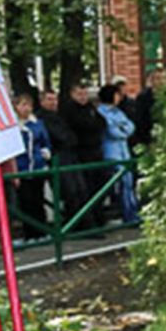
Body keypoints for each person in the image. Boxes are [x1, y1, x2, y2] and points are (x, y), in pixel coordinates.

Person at [36, 89, 88, 227]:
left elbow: (70, 136)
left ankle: (82, 223)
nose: (53, 103)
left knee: (80, 189)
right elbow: (61, 137)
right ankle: (74, 224)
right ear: (42, 102)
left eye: (55, 99)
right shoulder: (42, 118)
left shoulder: (58, 116)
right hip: (58, 156)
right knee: (70, 191)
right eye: (49, 99)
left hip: (69, 155)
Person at [61, 81, 107, 229]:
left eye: (85, 94)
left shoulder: (90, 108)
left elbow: (102, 123)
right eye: (79, 94)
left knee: (100, 185)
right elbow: (83, 125)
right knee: (86, 188)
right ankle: (87, 221)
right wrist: (92, 125)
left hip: (96, 150)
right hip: (82, 152)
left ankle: (99, 217)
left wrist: (93, 125)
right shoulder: (69, 110)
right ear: (72, 94)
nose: (83, 97)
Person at [96, 83, 138, 223]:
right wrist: (122, 129)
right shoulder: (101, 112)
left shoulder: (118, 112)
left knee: (129, 183)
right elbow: (113, 131)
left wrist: (122, 129)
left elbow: (130, 127)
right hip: (111, 153)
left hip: (124, 152)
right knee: (119, 184)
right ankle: (125, 214)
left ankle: (132, 212)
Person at [12, 91, 51, 240]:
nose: (26, 108)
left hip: (37, 166)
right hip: (21, 168)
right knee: (25, 202)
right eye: (23, 105)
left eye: (29, 105)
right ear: (16, 107)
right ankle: (29, 234)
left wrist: (44, 152)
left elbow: (45, 141)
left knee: (38, 200)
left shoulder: (37, 123)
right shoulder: (13, 126)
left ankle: (42, 232)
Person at [133, 67, 166, 150]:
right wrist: (147, 141)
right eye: (158, 78)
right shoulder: (143, 97)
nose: (161, 82)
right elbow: (140, 120)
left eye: (164, 78)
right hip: (150, 138)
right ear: (152, 80)